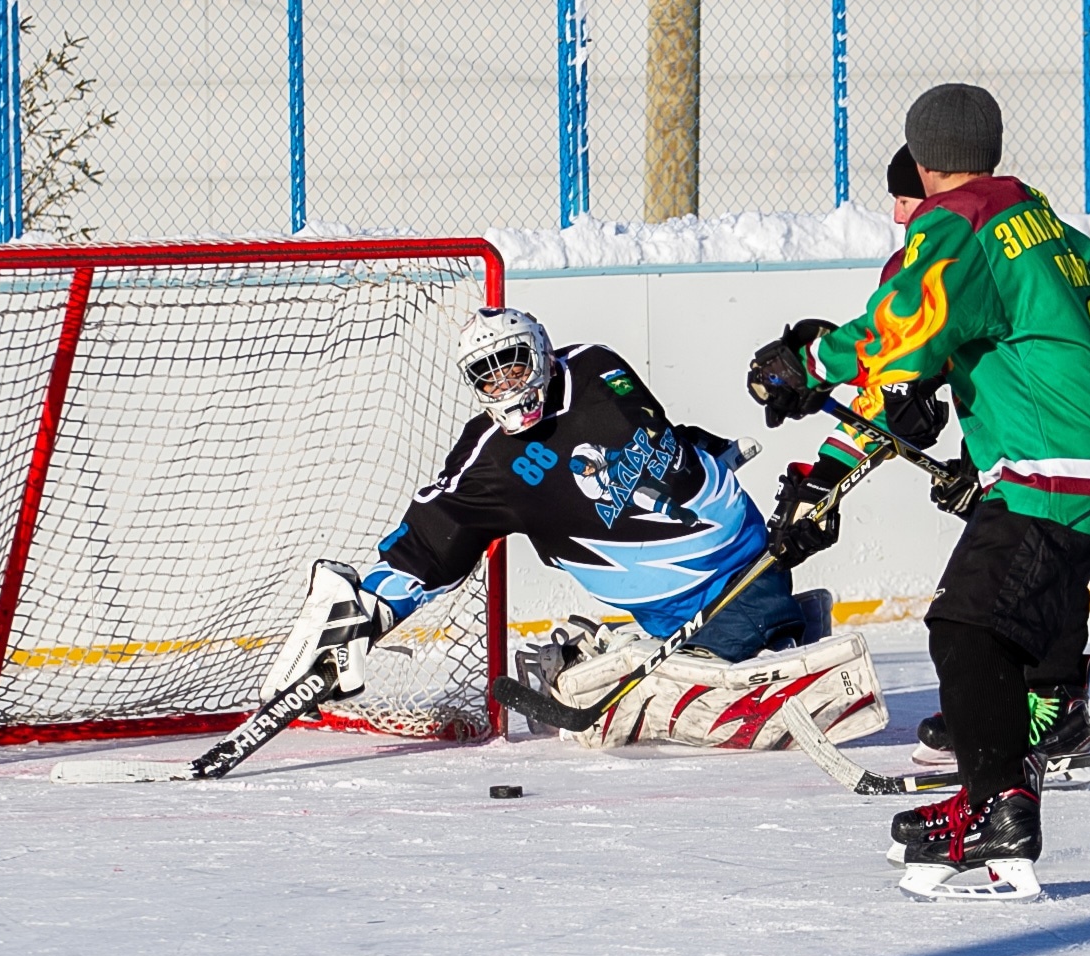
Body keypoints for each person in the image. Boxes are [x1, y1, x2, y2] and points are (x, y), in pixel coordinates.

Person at [748, 82, 1090, 901]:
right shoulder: (1030, 219)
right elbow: (954, 340)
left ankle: (998, 807)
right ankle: (988, 792)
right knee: (978, 627)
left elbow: (905, 321)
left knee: (964, 626)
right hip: (1076, 449)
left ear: (922, 161)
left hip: (1052, 458)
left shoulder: (958, 222)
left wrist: (809, 362)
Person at [260, 307, 886, 751]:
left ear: (541, 351)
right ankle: (631, 653)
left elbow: (660, 436)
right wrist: (366, 614)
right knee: (715, 662)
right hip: (687, 613)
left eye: (513, 363)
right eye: (488, 375)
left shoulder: (597, 366)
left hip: (754, 555)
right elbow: (430, 546)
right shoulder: (492, 464)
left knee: (741, 639)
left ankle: (692, 647)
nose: (505, 383)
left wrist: (711, 457)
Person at [774, 145, 1090, 767]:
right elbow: (905, 388)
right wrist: (827, 473)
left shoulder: (959, 247)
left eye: (907, 198)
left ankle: (1052, 705)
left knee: (1045, 526)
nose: (900, 215)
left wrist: (831, 460)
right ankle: (1008, 700)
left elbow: (894, 363)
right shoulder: (1001, 224)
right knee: (1025, 524)